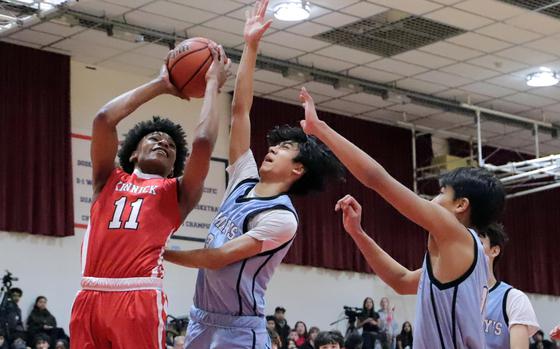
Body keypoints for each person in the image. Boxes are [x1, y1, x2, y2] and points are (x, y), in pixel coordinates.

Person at [163, 1, 344, 348]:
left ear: (298, 168)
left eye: (284, 149)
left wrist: (159, 251)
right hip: (201, 317)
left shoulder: (281, 219)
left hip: (237, 329)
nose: (272, 148)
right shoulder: (244, 175)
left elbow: (218, 258)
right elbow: (241, 109)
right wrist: (251, 44)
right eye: (274, 145)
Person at [299, 87, 505, 349]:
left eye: (442, 192)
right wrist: (358, 233)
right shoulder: (455, 255)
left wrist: (320, 129)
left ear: (461, 205)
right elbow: (401, 281)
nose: (433, 198)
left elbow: (377, 179)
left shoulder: (456, 233)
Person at [68, 42, 230, 349]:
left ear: (173, 168)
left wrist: (212, 84)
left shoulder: (177, 193)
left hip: (139, 297)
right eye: (154, 138)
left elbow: (204, 142)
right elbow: (104, 119)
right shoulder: (107, 179)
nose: (164, 143)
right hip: (89, 294)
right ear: (131, 154)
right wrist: (160, 85)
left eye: (170, 145)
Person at [479, 223, 539, 349]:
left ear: (494, 250)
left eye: (478, 243)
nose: (470, 249)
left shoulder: (513, 299)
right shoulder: (452, 296)